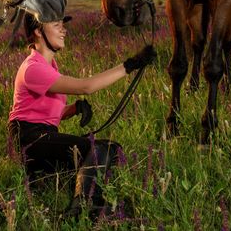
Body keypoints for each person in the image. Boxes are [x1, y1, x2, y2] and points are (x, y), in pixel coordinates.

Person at [8, 13, 156, 217]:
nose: (64, 30)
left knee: (112, 149)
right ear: (38, 31)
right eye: (56, 25)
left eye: (63, 25)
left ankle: (85, 195)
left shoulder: (49, 66)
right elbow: (86, 86)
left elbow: (43, 114)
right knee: (96, 149)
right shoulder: (33, 68)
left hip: (41, 135)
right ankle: (83, 208)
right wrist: (130, 65)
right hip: (29, 139)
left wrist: (74, 109)